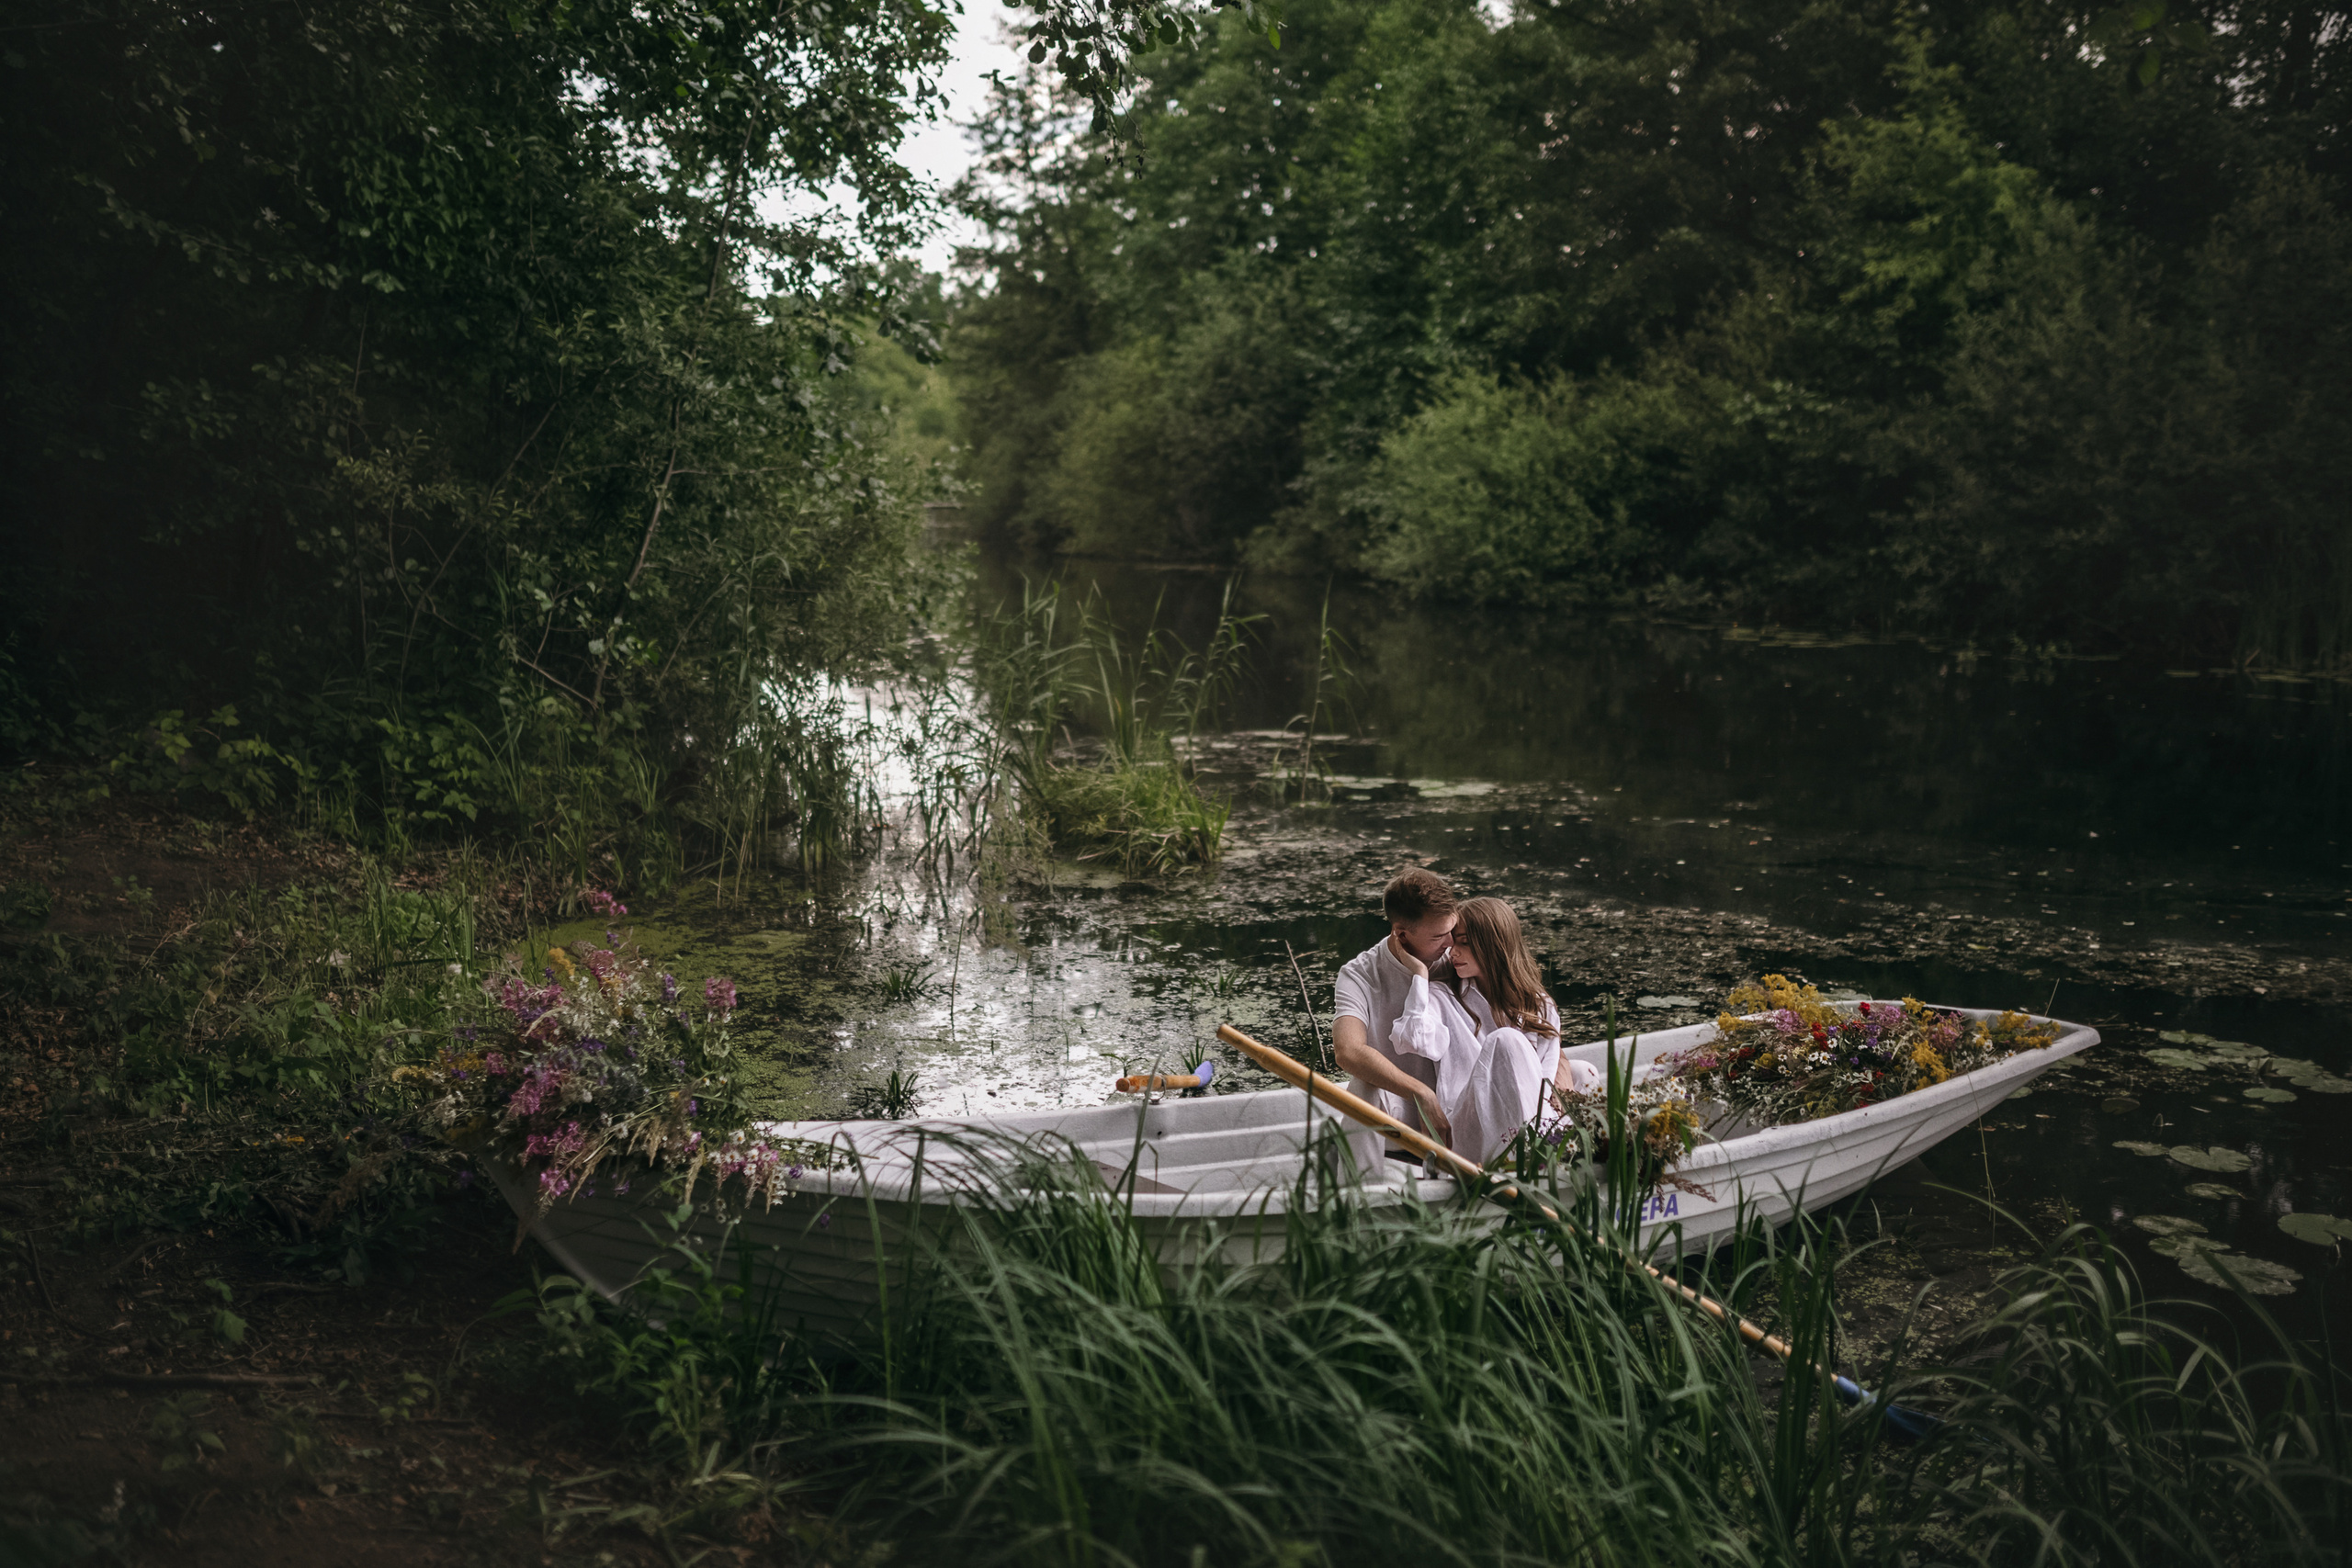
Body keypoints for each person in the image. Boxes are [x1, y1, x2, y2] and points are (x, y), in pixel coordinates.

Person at [1387, 896, 1600, 1166]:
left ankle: (1583, 1154)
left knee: (1584, 1072)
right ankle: (1543, 1158)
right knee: (1506, 1040)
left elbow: (1543, 1083)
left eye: (1464, 943)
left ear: (1494, 946)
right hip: (1466, 1135)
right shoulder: (1442, 997)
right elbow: (1409, 1038)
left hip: (1527, 1124)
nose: (1453, 952)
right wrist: (1420, 973)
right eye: (1454, 943)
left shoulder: (1539, 1005)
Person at [1330, 868, 1462, 1143]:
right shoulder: (1359, 975)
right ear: (1402, 935)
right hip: (1398, 1116)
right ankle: (1360, 1183)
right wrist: (1422, 1093)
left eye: (1452, 930)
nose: (1451, 943)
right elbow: (1348, 1051)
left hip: (1461, 1107)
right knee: (1364, 1086)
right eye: (1439, 937)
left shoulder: (1459, 958)